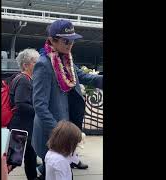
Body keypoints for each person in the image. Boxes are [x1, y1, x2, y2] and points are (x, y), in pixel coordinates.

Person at [31, 19, 103, 179]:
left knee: (57, 173)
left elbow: (84, 76)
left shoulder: (67, 60)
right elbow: (40, 106)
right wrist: (61, 133)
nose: (70, 44)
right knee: (59, 174)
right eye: (66, 40)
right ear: (52, 40)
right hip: (52, 134)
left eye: (73, 40)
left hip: (65, 130)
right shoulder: (43, 65)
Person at [8, 48, 40, 180]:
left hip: (24, 126)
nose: (38, 64)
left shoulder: (24, 78)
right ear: (25, 65)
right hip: (21, 127)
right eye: (35, 62)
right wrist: (39, 110)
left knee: (30, 157)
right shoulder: (23, 80)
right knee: (12, 160)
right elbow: (20, 104)